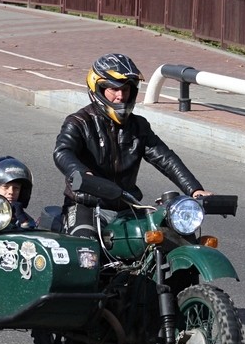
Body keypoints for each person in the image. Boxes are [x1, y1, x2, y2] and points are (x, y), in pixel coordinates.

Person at [53, 53, 211, 238]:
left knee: (167, 239)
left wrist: (194, 189)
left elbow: (165, 158)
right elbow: (63, 151)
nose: (120, 96)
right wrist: (80, 172)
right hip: (86, 205)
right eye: (114, 89)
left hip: (127, 206)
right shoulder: (79, 122)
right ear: (98, 89)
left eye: (126, 90)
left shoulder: (138, 126)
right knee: (85, 251)